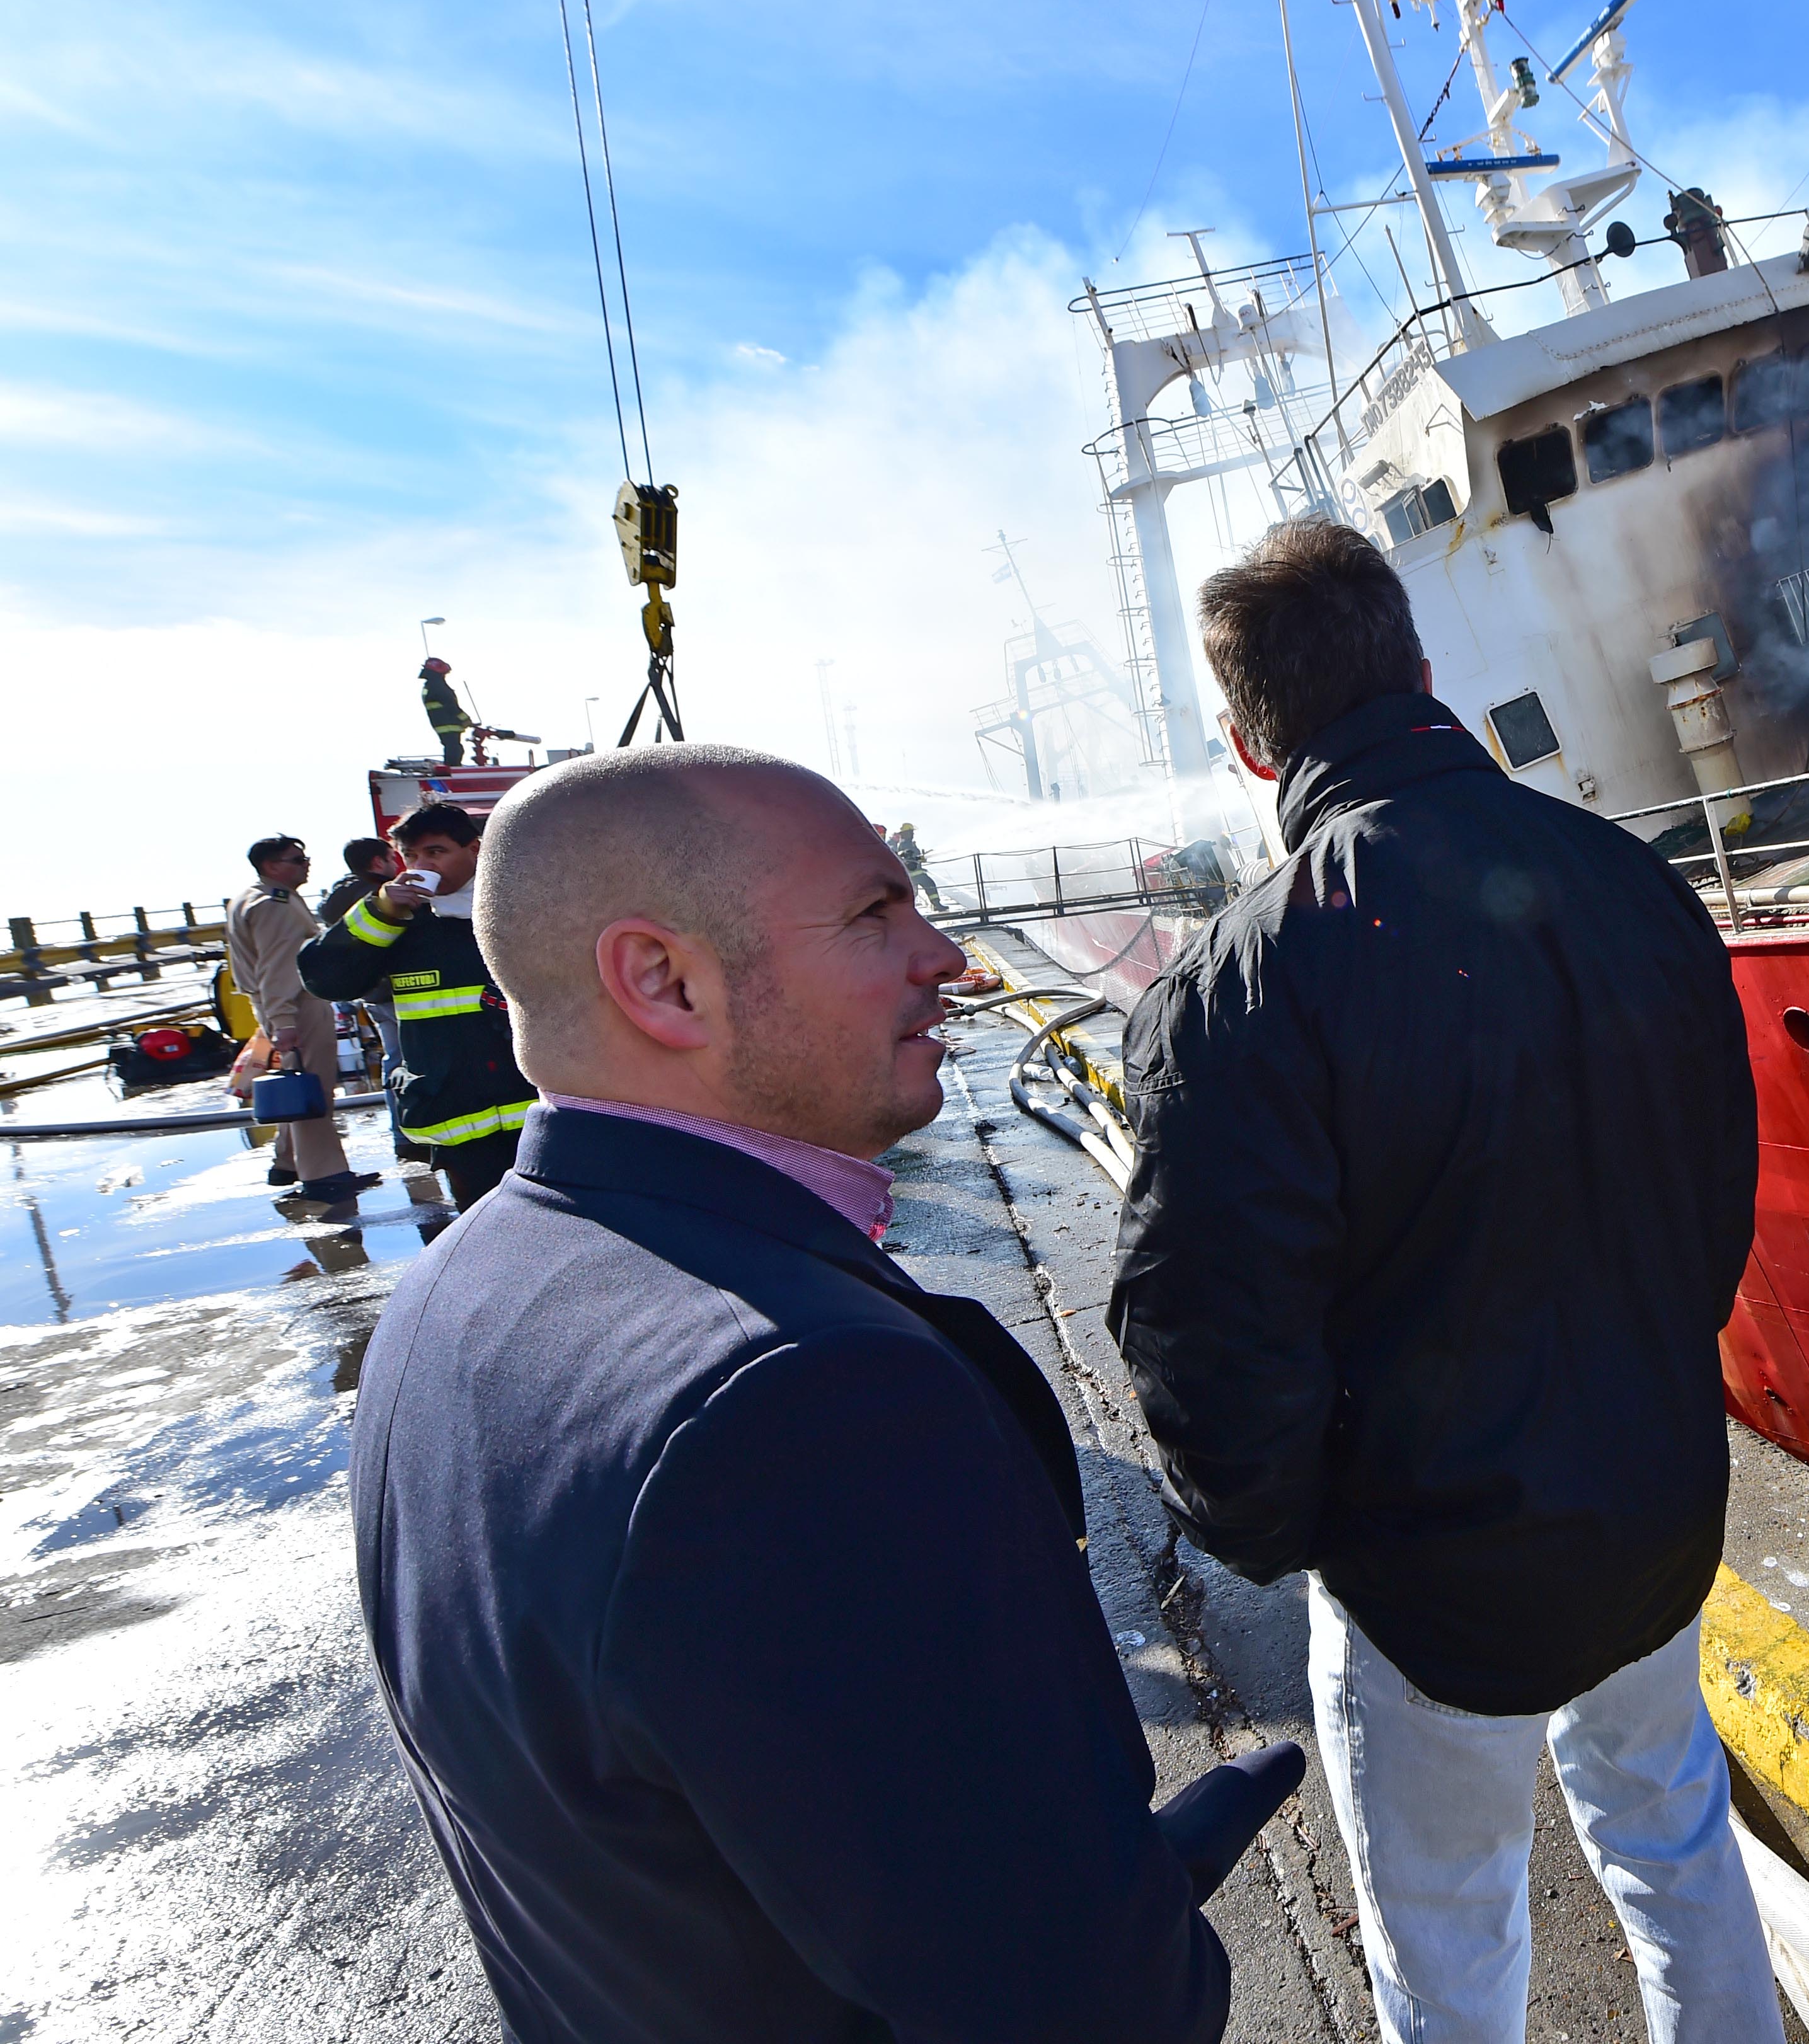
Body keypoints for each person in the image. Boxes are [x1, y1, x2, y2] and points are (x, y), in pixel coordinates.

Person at [349, 742, 1274, 2043]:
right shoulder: (807, 1403)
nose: (944, 956)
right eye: (873, 913)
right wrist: (1136, 1917)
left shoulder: (452, 1294)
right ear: (664, 980)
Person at [1111, 519, 1779, 2044]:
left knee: (1450, 1928)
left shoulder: (1242, 984)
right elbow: (1713, 1196)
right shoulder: (1633, 881)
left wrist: (1291, 1531)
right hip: (1654, 1503)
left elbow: (1210, 1339)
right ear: (1422, 671)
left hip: (1435, 1570)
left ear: (1246, 743)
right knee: (1672, 1833)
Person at [299, 801, 534, 1205]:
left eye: (435, 852)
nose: (419, 865)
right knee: (483, 1234)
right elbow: (326, 979)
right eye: (409, 855)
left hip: (537, 1109)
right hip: (458, 1117)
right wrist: (381, 913)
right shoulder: (401, 922)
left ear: (475, 850)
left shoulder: (522, 908)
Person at [224, 835, 371, 1205]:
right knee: (312, 1090)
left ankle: (288, 1162)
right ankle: (325, 1175)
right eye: (297, 859)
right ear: (273, 866)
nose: (306, 864)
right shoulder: (276, 905)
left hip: (278, 1004)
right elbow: (278, 967)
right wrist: (284, 1020)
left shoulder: (249, 897)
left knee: (295, 1086)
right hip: (296, 1004)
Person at [318, 837, 423, 1161]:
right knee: (418, 1059)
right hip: (401, 990)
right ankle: (419, 1131)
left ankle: (400, 1134)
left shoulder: (337, 898)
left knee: (393, 1060)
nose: (398, 864)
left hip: (372, 994)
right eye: (393, 857)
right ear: (378, 863)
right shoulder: (383, 893)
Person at [419, 657, 469, 765]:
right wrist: (465, 719)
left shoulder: (430, 686)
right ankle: (452, 770)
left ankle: (452, 768)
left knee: (453, 747)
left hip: (440, 722)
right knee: (454, 748)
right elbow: (451, 705)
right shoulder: (438, 686)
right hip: (448, 723)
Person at [889, 818, 942, 907]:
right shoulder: (905, 844)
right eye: (911, 832)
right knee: (929, 885)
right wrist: (919, 858)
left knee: (915, 892)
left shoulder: (907, 843)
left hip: (912, 873)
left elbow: (912, 857)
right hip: (915, 873)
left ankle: (933, 905)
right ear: (907, 833)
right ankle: (937, 904)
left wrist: (922, 857)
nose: (913, 834)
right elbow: (908, 858)